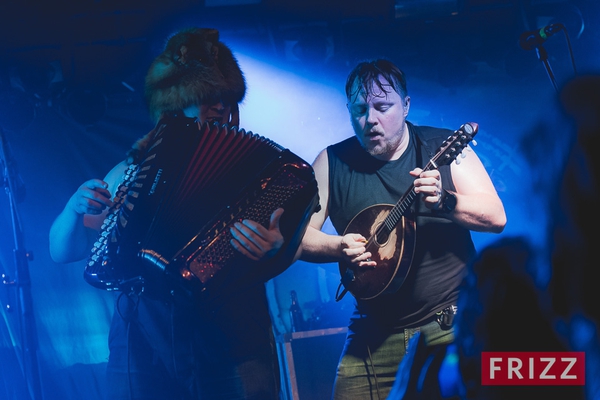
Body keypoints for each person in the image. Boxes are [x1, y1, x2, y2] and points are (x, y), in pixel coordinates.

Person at [49, 27, 290, 400]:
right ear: (176, 103)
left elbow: (291, 240)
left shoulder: (255, 168)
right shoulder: (133, 169)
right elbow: (64, 251)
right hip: (143, 336)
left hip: (233, 334)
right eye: (206, 97)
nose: (220, 107)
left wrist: (277, 244)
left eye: (225, 98)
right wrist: (72, 209)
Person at [298, 58, 507, 399]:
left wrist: (445, 200)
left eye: (383, 107)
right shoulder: (330, 162)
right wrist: (338, 247)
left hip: (449, 325)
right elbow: (299, 238)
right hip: (373, 332)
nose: (371, 120)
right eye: (360, 109)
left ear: (406, 105)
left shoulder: (443, 146)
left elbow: (496, 217)